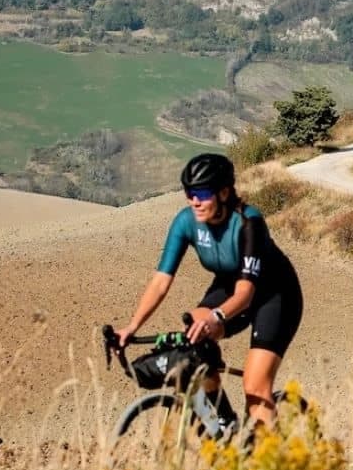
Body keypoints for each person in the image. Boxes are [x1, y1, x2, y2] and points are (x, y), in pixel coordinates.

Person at [116, 153, 303, 426]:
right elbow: (160, 282)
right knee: (193, 336)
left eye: (202, 193)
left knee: (254, 385)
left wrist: (216, 317)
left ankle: (267, 460)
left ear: (224, 192)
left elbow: (246, 293)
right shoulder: (186, 222)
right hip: (229, 285)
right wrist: (131, 327)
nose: (194, 200)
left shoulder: (249, 223)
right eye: (189, 193)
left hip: (275, 295)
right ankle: (225, 421)